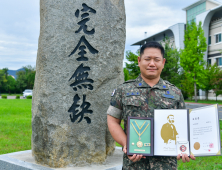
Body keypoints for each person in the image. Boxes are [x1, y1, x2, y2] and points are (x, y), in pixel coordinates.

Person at [107, 42, 195, 169]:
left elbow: (183, 127)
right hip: (134, 164)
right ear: (139, 60)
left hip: (166, 165)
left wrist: (185, 148)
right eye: (147, 59)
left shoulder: (175, 93)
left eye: (156, 60)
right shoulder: (123, 90)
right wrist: (127, 144)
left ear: (163, 62)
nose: (152, 64)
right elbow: (112, 120)